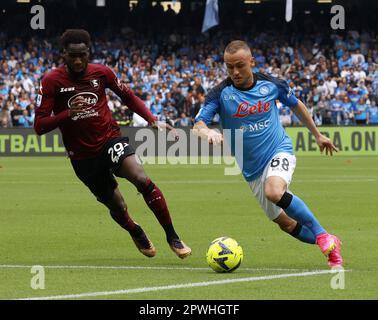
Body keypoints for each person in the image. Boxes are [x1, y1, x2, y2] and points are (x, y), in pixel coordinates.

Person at [34, 29, 191, 259]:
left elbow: (127, 96)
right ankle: (135, 230)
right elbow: (40, 125)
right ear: (63, 55)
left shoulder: (102, 73)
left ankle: (172, 236)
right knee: (117, 206)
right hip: (82, 156)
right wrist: (67, 114)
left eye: (83, 55)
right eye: (72, 55)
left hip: (109, 139)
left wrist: (152, 120)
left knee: (141, 178)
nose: (78, 60)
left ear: (89, 53)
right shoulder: (51, 81)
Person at [193, 40, 343, 269]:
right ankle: (331, 244)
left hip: (279, 149)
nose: (235, 72)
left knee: (274, 191)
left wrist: (318, 135)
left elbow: (296, 105)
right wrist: (208, 133)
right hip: (251, 169)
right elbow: (198, 124)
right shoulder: (220, 93)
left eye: (240, 65)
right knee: (285, 223)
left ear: (251, 62)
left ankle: (322, 234)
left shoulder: (272, 84)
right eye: (229, 67)